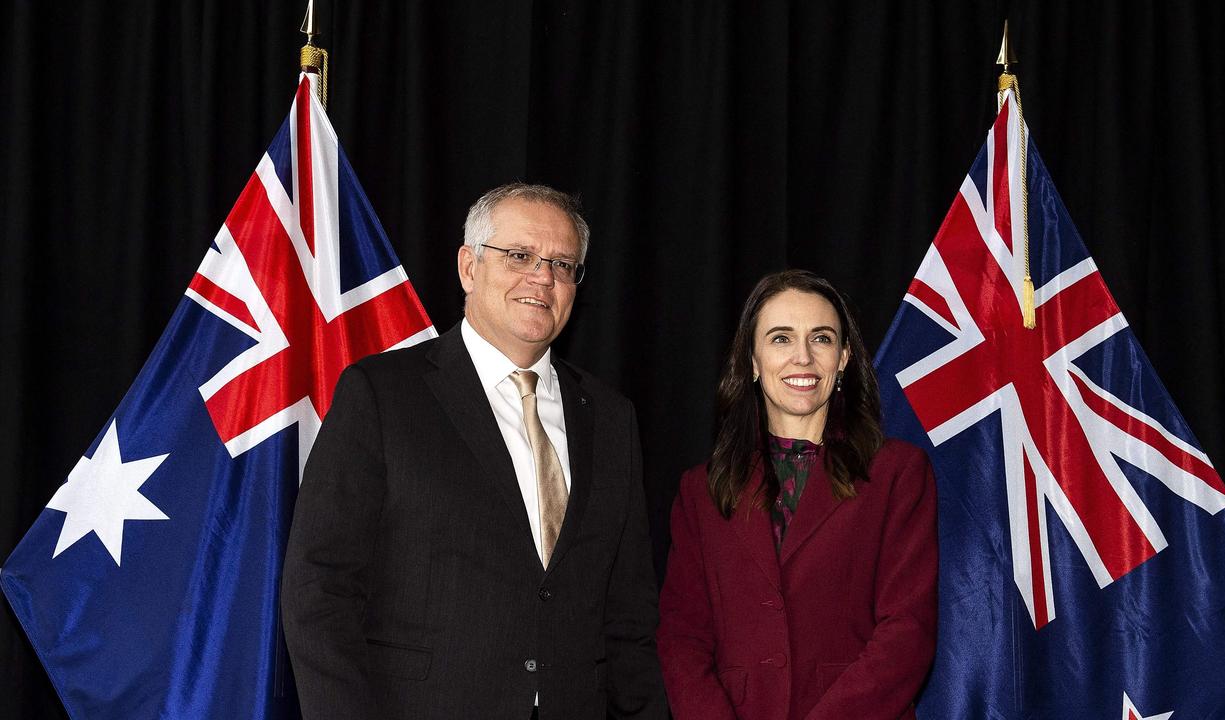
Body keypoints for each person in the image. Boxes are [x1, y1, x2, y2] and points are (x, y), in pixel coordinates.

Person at [282, 183, 668, 720]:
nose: (542, 277)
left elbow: (628, 614)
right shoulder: (383, 394)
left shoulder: (611, 418)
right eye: (519, 256)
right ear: (468, 267)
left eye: (562, 264)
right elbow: (319, 589)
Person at [657, 269, 937, 719]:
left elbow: (908, 631)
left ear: (843, 357)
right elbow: (682, 639)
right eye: (781, 339)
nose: (802, 357)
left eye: (822, 339)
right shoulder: (701, 490)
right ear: (752, 360)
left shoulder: (897, 473)